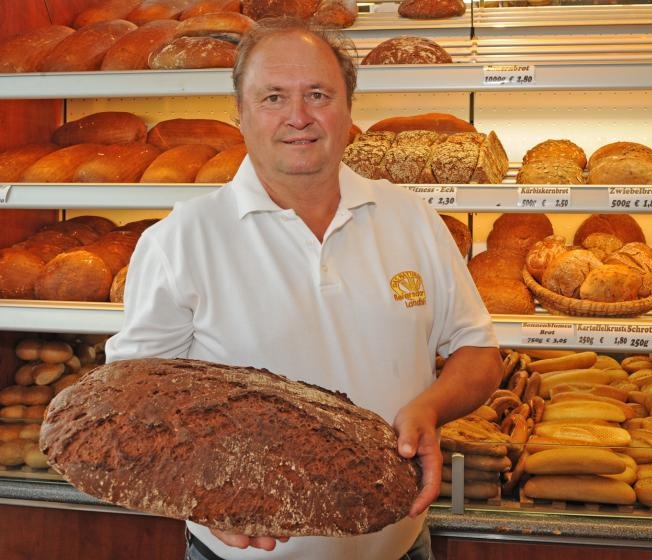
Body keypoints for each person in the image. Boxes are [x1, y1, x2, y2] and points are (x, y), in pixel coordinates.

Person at [105, 17, 503, 560]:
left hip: (402, 546)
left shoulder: (412, 219)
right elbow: (130, 403)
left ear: (347, 109)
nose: (298, 117)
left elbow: (476, 351)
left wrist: (430, 408)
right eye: (273, 97)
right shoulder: (180, 240)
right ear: (240, 114)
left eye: (318, 95)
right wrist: (194, 497)